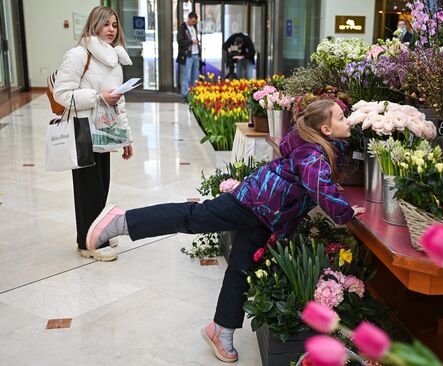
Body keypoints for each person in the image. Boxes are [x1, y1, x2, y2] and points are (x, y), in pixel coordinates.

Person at [85, 99, 366, 362]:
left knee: (241, 268)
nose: (347, 121)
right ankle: (123, 221)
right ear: (326, 129)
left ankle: (221, 329)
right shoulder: (313, 154)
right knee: (193, 217)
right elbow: (320, 187)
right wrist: (345, 212)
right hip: (253, 203)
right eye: (342, 117)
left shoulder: (319, 145)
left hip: (266, 215)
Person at [53, 6, 133, 262]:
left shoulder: (114, 57)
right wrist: (98, 97)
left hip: (106, 132)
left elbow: (118, 101)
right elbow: (61, 94)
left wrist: (126, 138)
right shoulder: (78, 55)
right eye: (106, 24)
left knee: (101, 188)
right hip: (84, 131)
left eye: (115, 25)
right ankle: (87, 243)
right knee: (88, 189)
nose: (112, 29)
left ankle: (97, 233)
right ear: (94, 24)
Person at [177, 12, 201, 102]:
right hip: (188, 55)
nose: (193, 23)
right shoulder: (183, 28)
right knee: (186, 76)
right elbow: (180, 41)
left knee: (195, 76)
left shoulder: (194, 28)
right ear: (189, 19)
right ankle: (185, 95)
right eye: (192, 21)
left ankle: (194, 93)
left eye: (195, 22)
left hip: (196, 54)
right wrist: (191, 42)